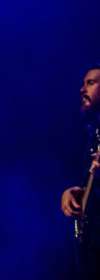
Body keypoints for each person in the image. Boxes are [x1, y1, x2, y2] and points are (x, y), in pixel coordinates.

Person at [61, 63, 100, 278]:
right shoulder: (94, 136)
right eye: (83, 83)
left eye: (91, 83)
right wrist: (76, 191)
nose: (82, 89)